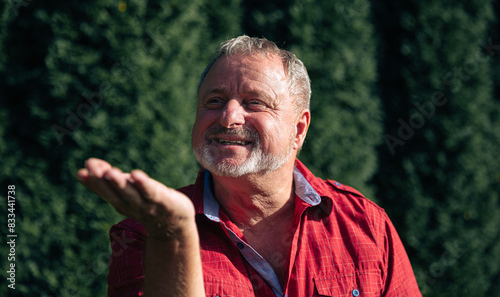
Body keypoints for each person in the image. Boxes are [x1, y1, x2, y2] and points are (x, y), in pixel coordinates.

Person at [77, 36, 422, 297]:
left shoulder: (366, 225)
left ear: (298, 129)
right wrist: (174, 235)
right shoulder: (146, 233)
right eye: (214, 101)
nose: (228, 117)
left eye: (254, 102)